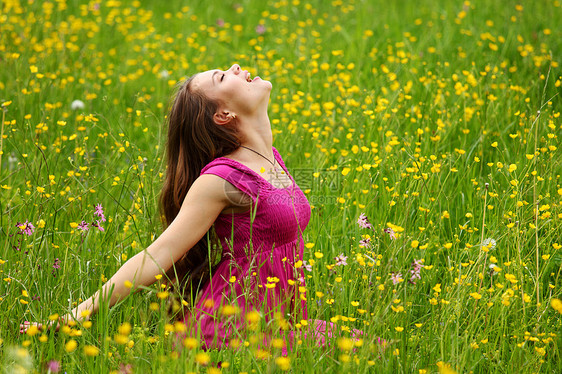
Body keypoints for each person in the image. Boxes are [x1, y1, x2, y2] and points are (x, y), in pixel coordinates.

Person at [20, 64, 353, 354]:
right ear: (223, 115)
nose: (236, 67)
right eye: (223, 76)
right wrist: (75, 315)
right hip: (232, 336)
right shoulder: (221, 179)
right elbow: (159, 253)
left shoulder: (269, 158)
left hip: (278, 324)